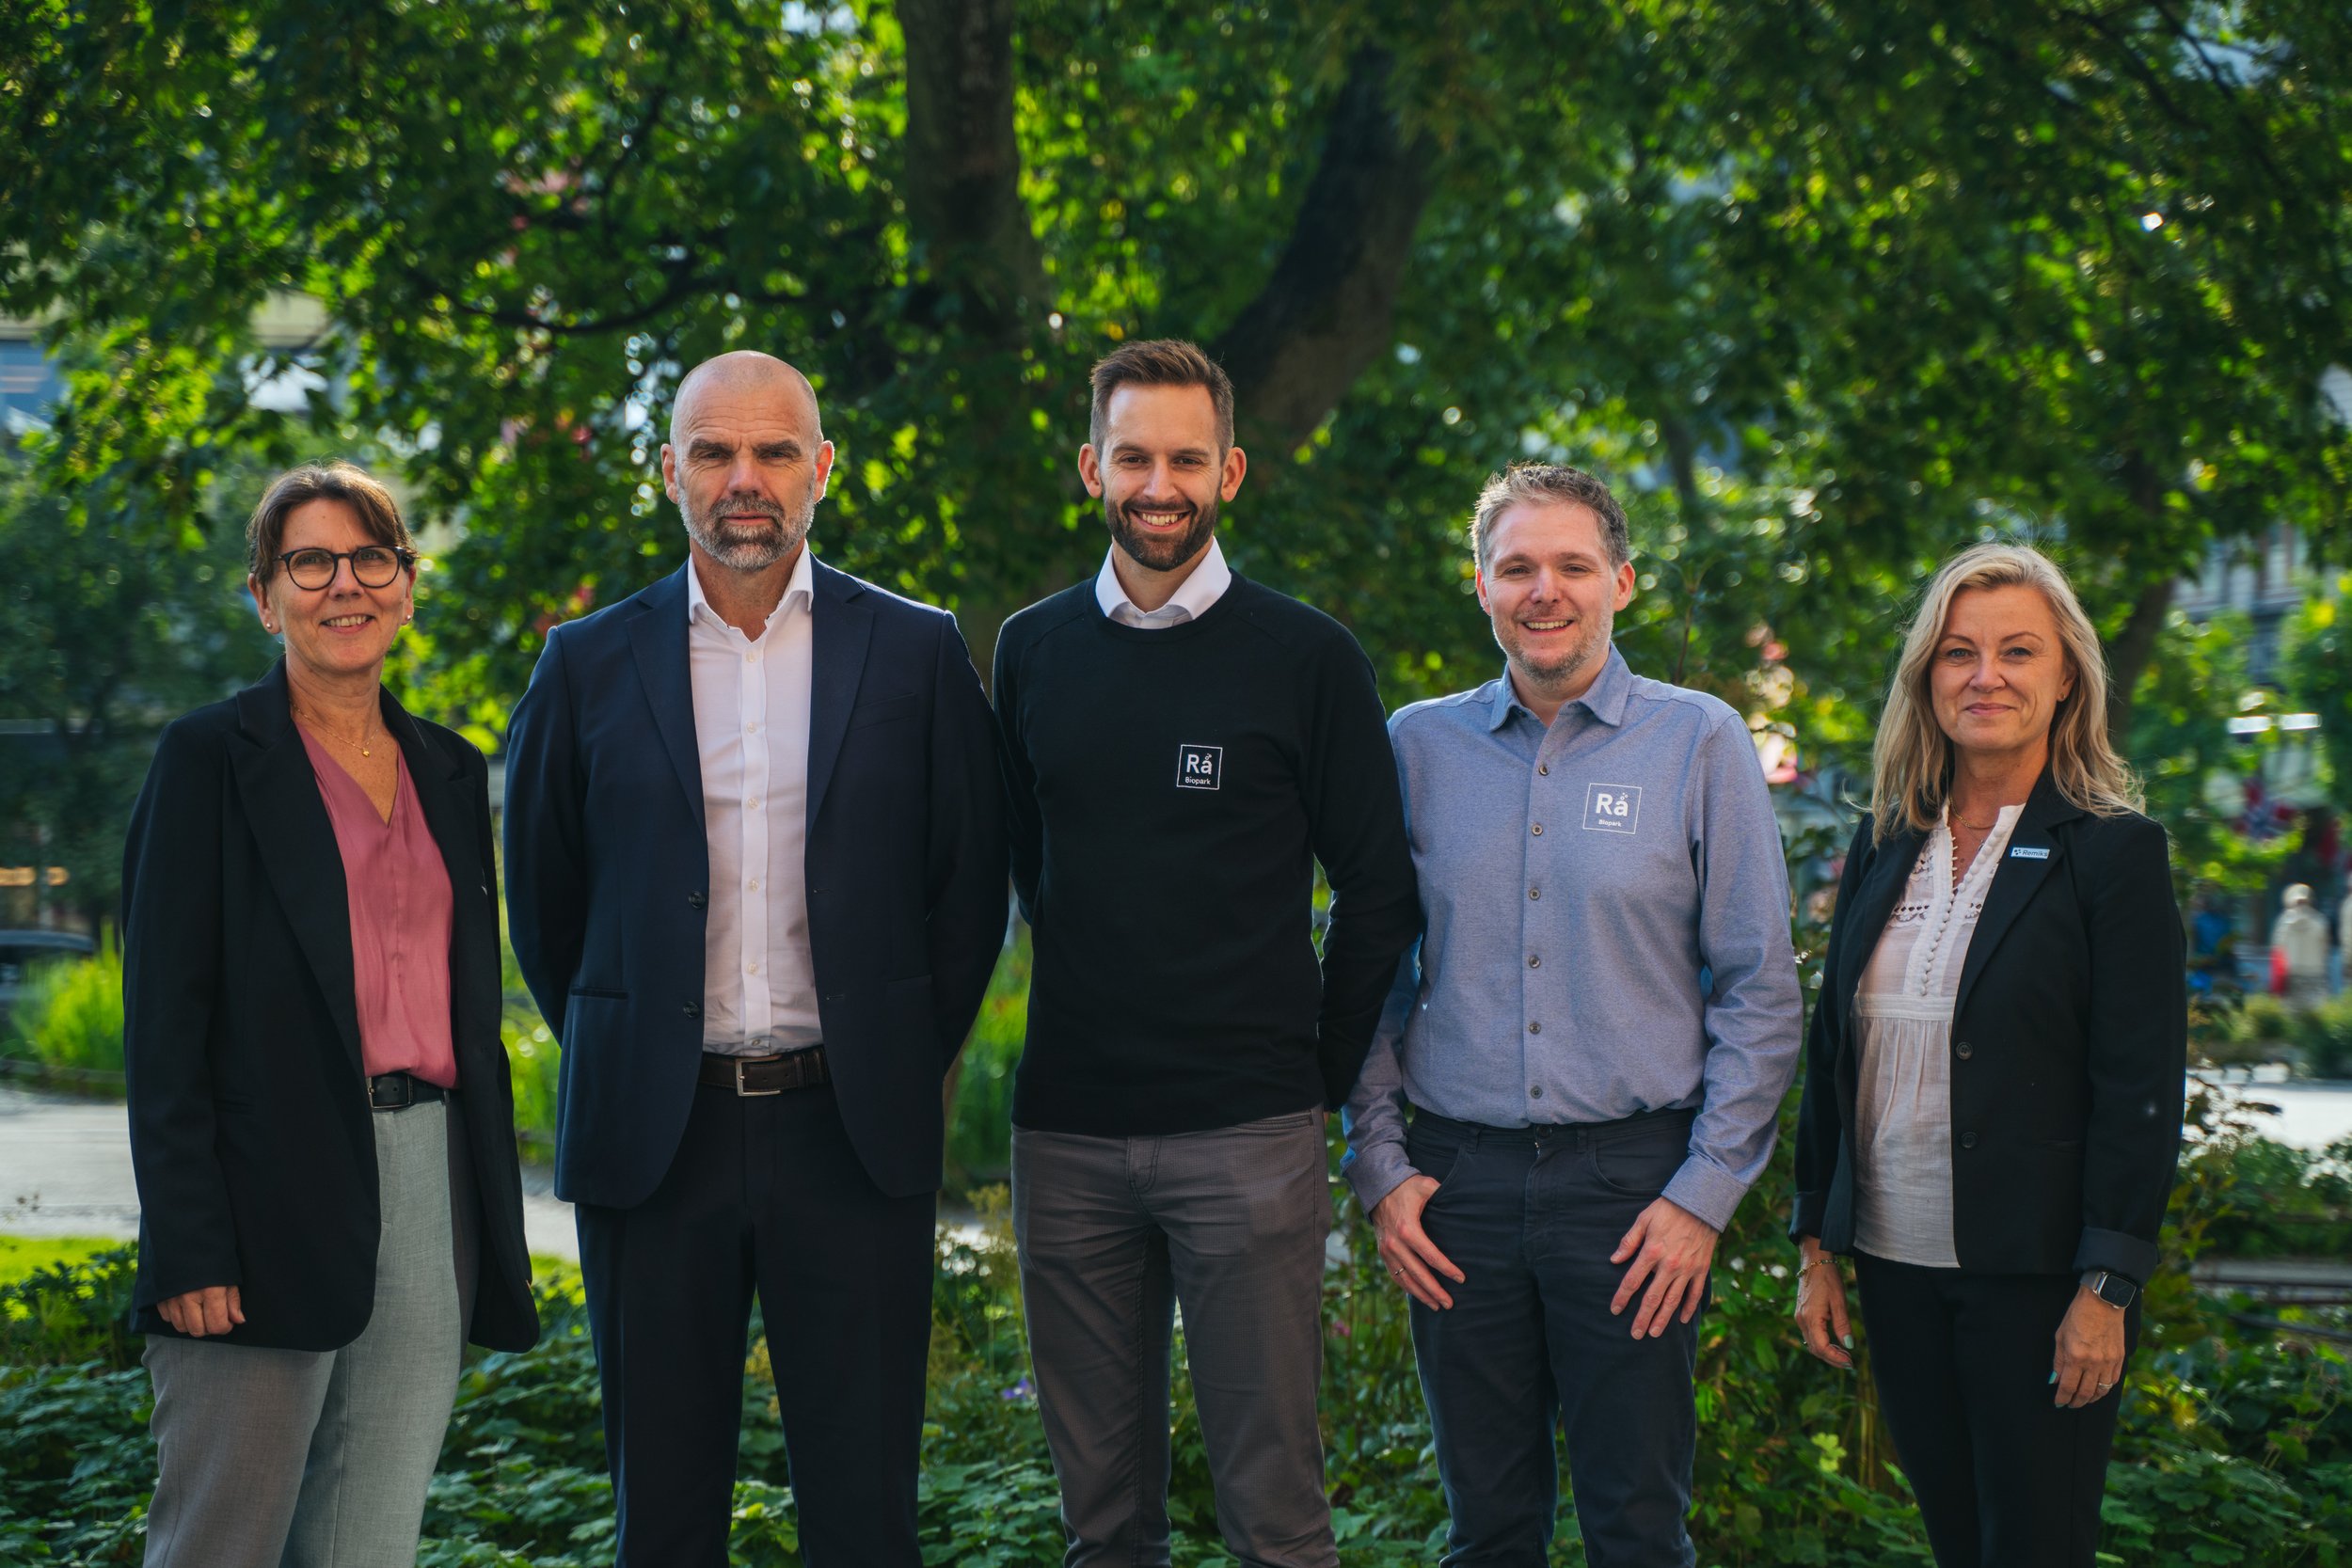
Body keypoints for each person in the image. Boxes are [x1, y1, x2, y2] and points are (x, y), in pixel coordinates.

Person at [502, 351, 1007, 1567]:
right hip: (652, 1139)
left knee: (865, 1513)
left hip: (850, 1131)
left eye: (775, 450)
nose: (745, 478)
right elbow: (546, 902)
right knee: (662, 1520)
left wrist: (887, 1052)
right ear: (667, 469)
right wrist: (642, 1043)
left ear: (822, 469)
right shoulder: (584, 662)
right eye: (716, 451)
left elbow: (966, 892)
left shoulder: (917, 650)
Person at [992, 339, 1419, 1567]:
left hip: (1250, 1131)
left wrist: (1314, 1073)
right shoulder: (1029, 650)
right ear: (1092, 467)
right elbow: (1033, 866)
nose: (1159, 481)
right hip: (1066, 1133)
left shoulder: (1308, 657)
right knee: (1102, 1520)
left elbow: (1381, 892)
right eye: (1134, 455)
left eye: (1186, 456)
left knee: (1275, 1510)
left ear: (1231, 469)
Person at [1343, 462, 1803, 1567]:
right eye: (1516, 567)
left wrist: (1702, 1194)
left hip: (1635, 1193)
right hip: (1457, 1192)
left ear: (1622, 581)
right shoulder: (1414, 745)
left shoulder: (1698, 742)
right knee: (1487, 1530)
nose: (1543, 590)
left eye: (1571, 565)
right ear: (1481, 585)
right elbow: (1363, 972)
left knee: (1638, 1529)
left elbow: (1759, 988)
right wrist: (1380, 1162)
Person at [122, 463, 538, 1568]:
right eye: (308, 560)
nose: (341, 583)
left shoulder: (452, 768)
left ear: (407, 587)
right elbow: (163, 1025)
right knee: (224, 1540)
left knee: (371, 1540)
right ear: (265, 595)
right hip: (262, 1196)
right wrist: (189, 1241)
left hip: (427, 1181)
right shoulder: (210, 759)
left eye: (370, 558)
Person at [1788, 542, 2186, 1568]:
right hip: (1894, 1265)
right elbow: (1835, 1046)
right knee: (1956, 1542)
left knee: (2037, 1547)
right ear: (1927, 677)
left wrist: (2107, 1285)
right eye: (1958, 652)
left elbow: (2139, 1086)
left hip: (2043, 1279)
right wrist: (1815, 1243)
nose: (1985, 675)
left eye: (2017, 650)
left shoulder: (2113, 851)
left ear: (2066, 678)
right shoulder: (1884, 839)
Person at [2272, 883, 2329, 1011]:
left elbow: (2278, 949)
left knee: (2292, 1014)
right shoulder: (2320, 921)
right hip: (2315, 972)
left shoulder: (2284, 923)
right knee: (2315, 1012)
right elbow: (2325, 948)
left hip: (2292, 972)